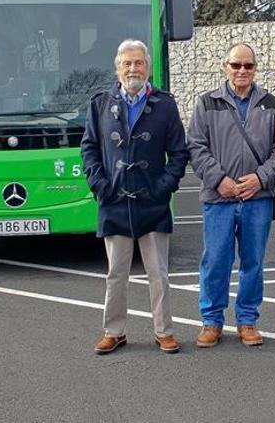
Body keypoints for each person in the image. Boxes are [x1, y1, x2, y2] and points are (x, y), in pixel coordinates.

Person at [81, 39, 189, 355]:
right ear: (118, 68)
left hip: (152, 203)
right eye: (127, 63)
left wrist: (163, 188)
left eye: (139, 63)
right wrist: (100, 185)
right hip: (113, 201)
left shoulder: (165, 105)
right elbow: (88, 148)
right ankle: (114, 332)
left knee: (159, 274)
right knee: (116, 273)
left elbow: (179, 153)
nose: (133, 69)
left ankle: (164, 331)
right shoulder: (99, 104)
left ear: (148, 67)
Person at [187, 43, 275, 348]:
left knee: (253, 262)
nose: (242, 71)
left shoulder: (271, 104)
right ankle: (212, 320)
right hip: (219, 199)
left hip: (258, 198)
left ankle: (247, 320)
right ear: (225, 66)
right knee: (216, 260)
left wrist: (260, 178)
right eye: (236, 65)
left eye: (248, 66)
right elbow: (196, 148)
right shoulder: (207, 103)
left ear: (256, 68)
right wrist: (219, 180)